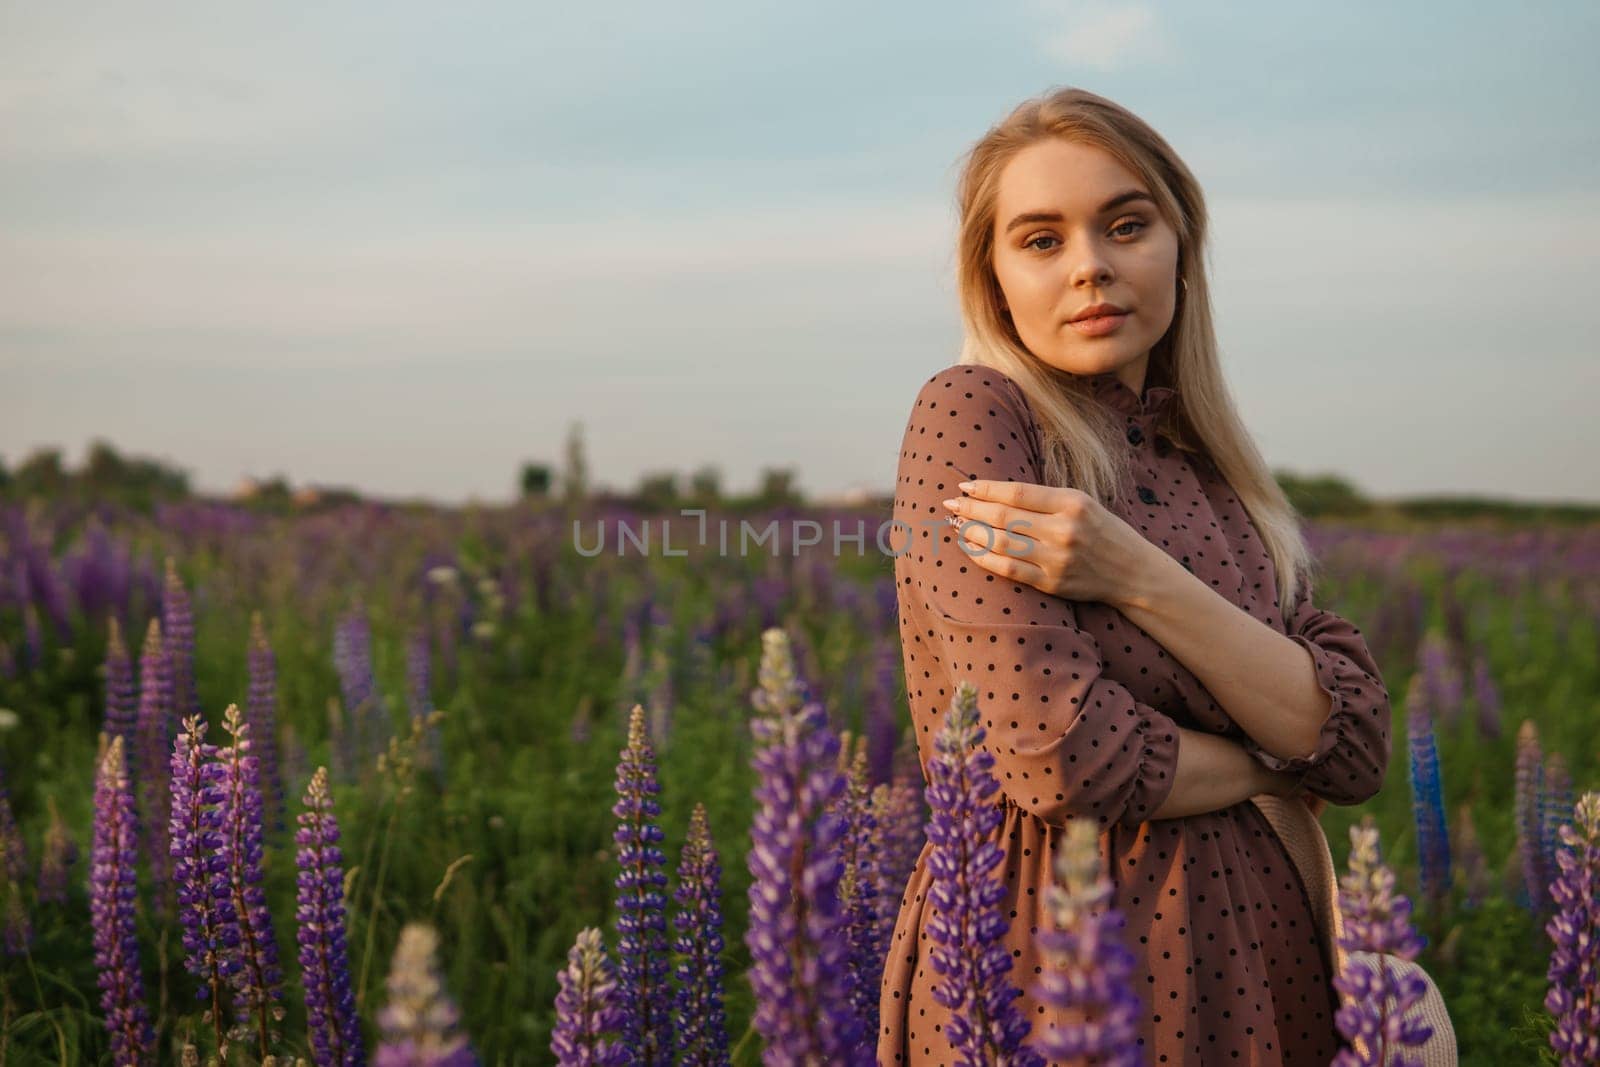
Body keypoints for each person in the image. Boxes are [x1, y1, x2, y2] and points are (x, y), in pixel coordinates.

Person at [878, 86, 1393, 1066]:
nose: (1090, 267)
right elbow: (1063, 759)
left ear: (1179, 246)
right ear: (990, 277)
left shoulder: (1215, 467)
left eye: (1126, 224)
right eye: (1040, 239)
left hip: (1263, 948)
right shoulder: (975, 414)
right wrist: (1271, 758)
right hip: (1045, 952)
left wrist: (1132, 571)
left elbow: (1357, 742)